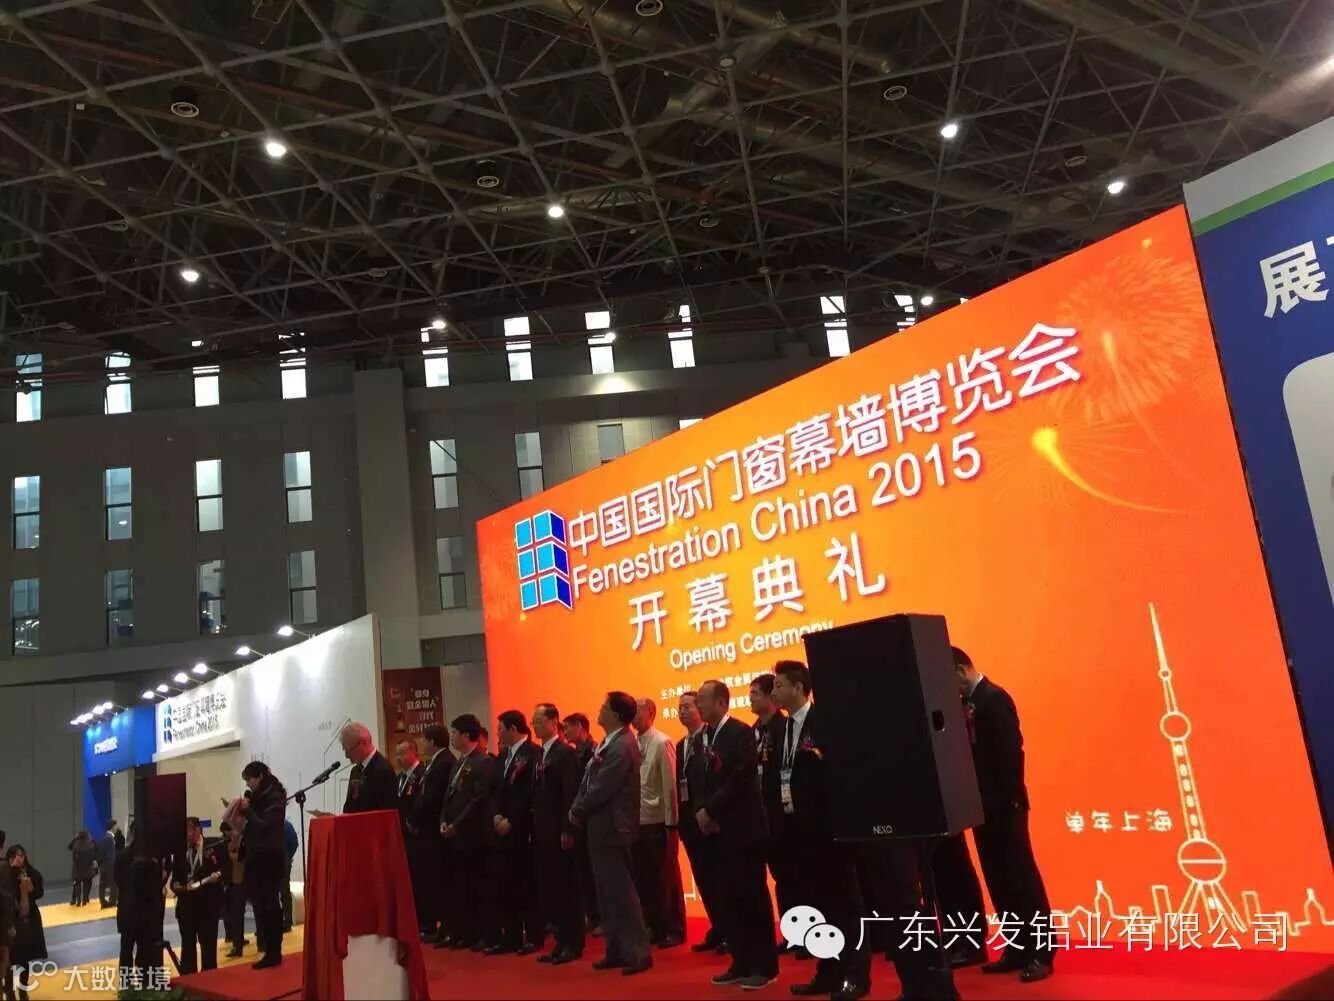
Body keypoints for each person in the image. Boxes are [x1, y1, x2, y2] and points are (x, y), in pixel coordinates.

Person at [768, 661, 871, 1001]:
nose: (774, 692)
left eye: (779, 685)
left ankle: (855, 975)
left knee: (845, 904)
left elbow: (840, 774)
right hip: (798, 831)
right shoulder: (784, 728)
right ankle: (828, 971)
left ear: (798, 688)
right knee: (817, 904)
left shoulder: (823, 721)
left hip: (829, 830)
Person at [954, 646, 1053, 983]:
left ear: (961, 669)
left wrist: (1010, 799)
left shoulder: (994, 699)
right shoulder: (965, 704)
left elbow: (1012, 753)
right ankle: (1017, 947)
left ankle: (1041, 952)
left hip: (1005, 806)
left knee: (1020, 878)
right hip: (981, 807)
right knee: (997, 878)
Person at [692, 680, 777, 991]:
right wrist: (702, 812)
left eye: (703, 700)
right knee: (728, 900)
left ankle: (764, 966)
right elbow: (698, 780)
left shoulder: (741, 732)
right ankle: (741, 961)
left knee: (751, 898)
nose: (698, 705)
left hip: (743, 830)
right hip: (716, 832)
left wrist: (711, 810)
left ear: (720, 703)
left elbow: (740, 778)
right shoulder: (703, 736)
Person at [568, 691, 652, 977]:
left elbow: (603, 786)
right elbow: (588, 780)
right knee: (607, 894)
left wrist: (578, 809)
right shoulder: (609, 742)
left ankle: (637, 953)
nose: (599, 709)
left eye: (604, 706)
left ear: (615, 715)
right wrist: (578, 806)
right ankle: (616, 950)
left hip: (614, 827)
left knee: (622, 893)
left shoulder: (623, 744)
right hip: (600, 827)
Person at [439, 713, 499, 952]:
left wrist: (457, 824)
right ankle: (467, 932)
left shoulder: (483, 762)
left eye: (454, 733)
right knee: (461, 886)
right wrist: (444, 820)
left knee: (480, 886)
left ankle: (486, 934)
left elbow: (478, 798)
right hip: (455, 835)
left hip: (474, 835)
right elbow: (449, 796)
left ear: (466, 735)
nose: (451, 737)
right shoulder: (459, 762)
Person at [530, 703, 584, 965]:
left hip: (559, 830)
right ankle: (560, 941)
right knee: (552, 887)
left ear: (554, 722)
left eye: (540, 721)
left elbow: (570, 793)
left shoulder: (565, 753)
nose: (536, 726)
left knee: (567, 887)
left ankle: (572, 943)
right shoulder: (542, 753)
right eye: (534, 722)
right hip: (543, 830)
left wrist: (568, 828)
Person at [630, 697, 686, 949]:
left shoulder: (662, 742)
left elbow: (670, 785)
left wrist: (671, 823)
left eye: (638, 712)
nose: (634, 717)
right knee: (644, 879)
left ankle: (674, 928)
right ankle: (654, 926)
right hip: (637, 821)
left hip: (659, 820)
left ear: (651, 714)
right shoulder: (633, 743)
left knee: (666, 878)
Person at [488, 710, 543, 955]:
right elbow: (494, 790)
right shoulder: (503, 756)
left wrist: (512, 819)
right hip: (501, 827)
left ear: (513, 729)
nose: (497, 733)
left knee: (526, 884)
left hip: (522, 829)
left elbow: (529, 794)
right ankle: (510, 935)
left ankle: (533, 935)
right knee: (505, 883)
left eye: (500, 729)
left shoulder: (532, 754)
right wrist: (496, 815)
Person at [676, 691, 725, 956]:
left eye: (687, 706)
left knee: (720, 880)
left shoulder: (710, 740)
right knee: (704, 880)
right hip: (689, 822)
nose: (682, 711)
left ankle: (729, 932)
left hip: (710, 820)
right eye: (679, 707)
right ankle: (717, 928)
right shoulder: (681, 744)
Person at [236, 760, 288, 969]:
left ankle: (274, 951)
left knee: (270, 905)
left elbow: (265, 826)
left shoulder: (274, 795)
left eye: (249, 780)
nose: (248, 784)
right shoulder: (259, 796)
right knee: (261, 905)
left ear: (259, 777)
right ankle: (267, 948)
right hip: (257, 856)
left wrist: (248, 811)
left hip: (269, 857)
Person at [408, 726, 454, 944]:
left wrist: (414, 818)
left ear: (433, 741)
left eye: (424, 740)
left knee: (439, 880)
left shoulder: (443, 763)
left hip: (433, 828)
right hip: (427, 829)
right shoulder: (434, 763)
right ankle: (440, 925)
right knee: (432, 880)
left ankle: (444, 925)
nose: (422, 744)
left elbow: (431, 797)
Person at [115, 823, 166, 989]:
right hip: (146, 912)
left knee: (126, 951)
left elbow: (119, 881)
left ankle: (125, 985)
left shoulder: (121, 855)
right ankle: (146, 984)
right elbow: (156, 884)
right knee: (145, 950)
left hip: (127, 910)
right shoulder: (152, 857)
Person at [171, 818, 223, 975]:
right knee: (187, 947)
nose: (187, 834)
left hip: (208, 905)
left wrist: (217, 877)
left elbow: (224, 870)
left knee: (208, 948)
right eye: (185, 830)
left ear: (198, 829)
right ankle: (189, 980)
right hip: (186, 906)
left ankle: (209, 980)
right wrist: (180, 888)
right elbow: (175, 881)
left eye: (190, 829)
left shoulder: (213, 845)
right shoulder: (180, 851)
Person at [561, 711, 599, 932]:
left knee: (593, 872)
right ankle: (591, 915)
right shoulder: (573, 753)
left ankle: (601, 917)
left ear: (580, 727)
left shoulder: (594, 751)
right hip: (577, 819)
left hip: (590, 819)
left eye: (568, 727)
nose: (565, 732)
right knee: (582, 870)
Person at [5, 846, 47, 1001]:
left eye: (21, 855)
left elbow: (40, 892)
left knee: (25, 958)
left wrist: (31, 890)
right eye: (16, 856)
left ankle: (23, 990)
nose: (19, 859)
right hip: (11, 918)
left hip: (29, 919)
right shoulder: (6, 874)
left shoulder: (32, 873)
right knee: (9, 959)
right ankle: (9, 991)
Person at [340, 723, 398, 813]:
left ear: (364, 743)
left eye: (349, 750)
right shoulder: (355, 771)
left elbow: (387, 812)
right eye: (345, 750)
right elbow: (349, 807)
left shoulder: (383, 770)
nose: (346, 756)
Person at [219, 822, 249, 957]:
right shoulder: (228, 841)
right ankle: (237, 942)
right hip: (233, 881)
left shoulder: (243, 839)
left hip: (241, 879)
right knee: (234, 913)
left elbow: (242, 858)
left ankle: (239, 944)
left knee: (238, 913)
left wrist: (230, 854)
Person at [396, 740, 425, 823]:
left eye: (402, 753)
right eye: (396, 754)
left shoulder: (422, 774)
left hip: (417, 824)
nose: (398, 758)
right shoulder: (399, 777)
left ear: (414, 753)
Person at [66, 831, 96, 907]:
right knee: (87, 884)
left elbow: (69, 847)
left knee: (77, 884)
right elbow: (95, 853)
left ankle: (77, 900)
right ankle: (85, 899)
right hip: (87, 868)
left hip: (77, 868)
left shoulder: (76, 844)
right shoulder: (91, 844)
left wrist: (74, 839)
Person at [281, 819, 298, 933]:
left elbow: (294, 843)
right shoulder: (287, 825)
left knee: (281, 893)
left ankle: (285, 921)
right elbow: (294, 843)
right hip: (284, 862)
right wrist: (288, 857)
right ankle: (287, 921)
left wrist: (287, 857)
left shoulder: (284, 825)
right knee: (285, 892)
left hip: (279, 862)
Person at [97, 822, 119, 908]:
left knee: (103, 884)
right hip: (109, 865)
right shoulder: (108, 838)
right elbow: (102, 852)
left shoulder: (108, 837)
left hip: (105, 865)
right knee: (113, 883)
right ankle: (112, 901)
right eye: (116, 826)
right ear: (113, 827)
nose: (117, 828)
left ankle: (104, 902)